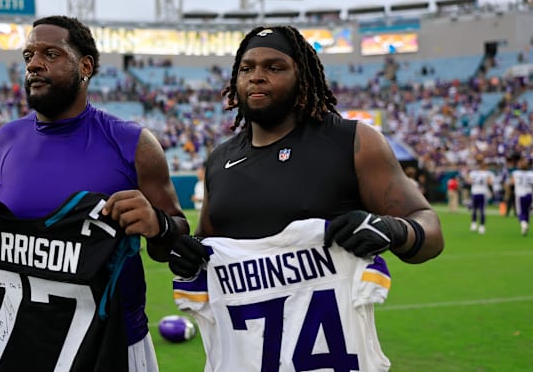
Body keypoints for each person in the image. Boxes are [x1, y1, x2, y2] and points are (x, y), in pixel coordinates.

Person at [0, 15, 188, 371]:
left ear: (85, 66)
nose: (34, 64)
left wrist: (158, 225)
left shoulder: (133, 143)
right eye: (28, 55)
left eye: (51, 54)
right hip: (20, 344)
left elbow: (179, 241)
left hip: (112, 345)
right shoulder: (4, 140)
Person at [168, 25, 444, 369]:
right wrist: (189, 256)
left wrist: (392, 230)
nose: (256, 77)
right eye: (247, 68)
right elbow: (206, 245)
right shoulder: (220, 160)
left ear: (303, 76)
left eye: (274, 67)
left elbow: (430, 229)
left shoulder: (352, 142)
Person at [467, 156, 494, 234]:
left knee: (474, 209)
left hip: (475, 192)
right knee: (482, 210)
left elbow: (468, 181)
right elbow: (490, 182)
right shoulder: (486, 173)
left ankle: (474, 223)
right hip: (482, 193)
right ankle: (481, 226)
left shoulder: (473, 173)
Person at [510, 155, 533, 235]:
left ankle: (524, 224)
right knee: (527, 212)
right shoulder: (531, 174)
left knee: (520, 212)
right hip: (529, 194)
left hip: (520, 195)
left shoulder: (516, 173)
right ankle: (525, 226)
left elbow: (512, 182)